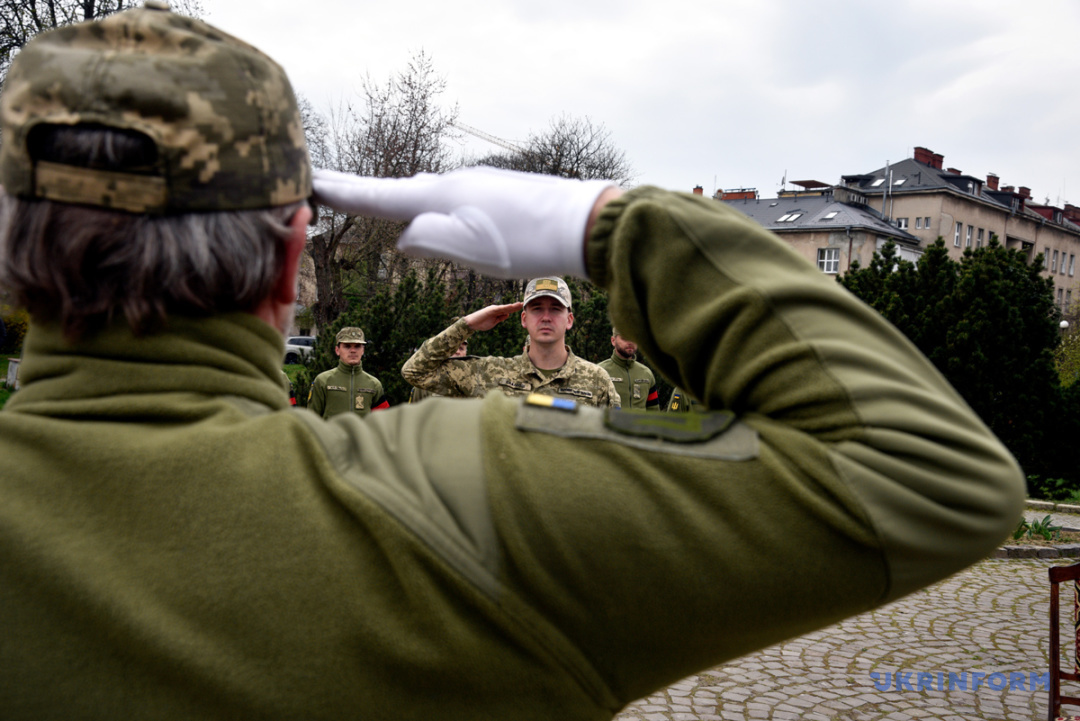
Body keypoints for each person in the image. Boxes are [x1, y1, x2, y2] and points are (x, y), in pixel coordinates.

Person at [0, 6, 1024, 720]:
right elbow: (930, 475)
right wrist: (614, 224)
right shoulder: (461, 492)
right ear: (289, 261)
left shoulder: (556, 401)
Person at [401, 276, 620, 407]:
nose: (546, 317)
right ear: (524, 319)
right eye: (536, 309)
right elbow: (415, 371)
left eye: (555, 309)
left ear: (569, 320)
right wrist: (467, 325)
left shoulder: (596, 380)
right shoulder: (490, 373)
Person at [308, 326, 389, 418]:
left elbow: (382, 422)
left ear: (363, 350)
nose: (353, 351)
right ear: (337, 350)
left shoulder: (374, 384)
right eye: (347, 346)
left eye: (357, 346)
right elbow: (312, 419)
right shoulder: (323, 381)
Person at [597, 328, 659, 411]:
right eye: (624, 338)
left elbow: (653, 410)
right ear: (613, 341)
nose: (630, 342)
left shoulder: (646, 374)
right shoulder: (599, 372)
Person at [408, 338, 469, 403]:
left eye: (461, 348)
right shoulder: (425, 382)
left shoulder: (474, 381)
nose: (457, 352)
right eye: (453, 347)